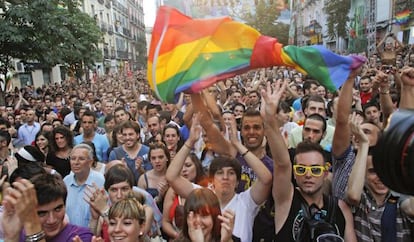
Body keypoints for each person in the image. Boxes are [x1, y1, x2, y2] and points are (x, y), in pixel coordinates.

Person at [260, 80, 356, 241]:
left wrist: (349, 77)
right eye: (301, 169)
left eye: (315, 169)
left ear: (326, 173)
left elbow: (342, 121)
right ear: (295, 174)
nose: (308, 175)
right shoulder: (286, 200)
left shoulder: (341, 208)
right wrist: (270, 120)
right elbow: (282, 164)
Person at [166, 113, 272, 242]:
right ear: (212, 178)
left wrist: (237, 144)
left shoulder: (246, 201)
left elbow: (266, 179)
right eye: (220, 173)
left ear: (238, 181)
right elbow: (171, 176)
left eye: (231, 173)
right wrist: (190, 141)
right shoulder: (203, 195)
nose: (225, 177)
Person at [346, 114, 414, 241]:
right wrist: (364, 144)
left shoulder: (400, 196)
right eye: (373, 172)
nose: (381, 177)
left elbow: (412, 209)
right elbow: (353, 195)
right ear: (364, 175)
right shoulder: (362, 199)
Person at [1, 173, 93, 242]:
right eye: (42, 213)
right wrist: (11, 237)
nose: (51, 220)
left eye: (58, 209)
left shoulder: (80, 236)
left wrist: (34, 230)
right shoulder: (21, 235)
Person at [162, 154, 206, 239]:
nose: (184, 170)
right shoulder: (172, 191)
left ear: (197, 166)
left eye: (188, 165)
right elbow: (165, 222)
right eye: (180, 167)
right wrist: (178, 236)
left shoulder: (206, 189)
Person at [63, 143, 105, 228]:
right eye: (73, 159)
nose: (76, 162)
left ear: (90, 162)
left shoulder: (100, 181)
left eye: (81, 159)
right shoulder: (65, 181)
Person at [137, 142, 170, 210]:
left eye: (160, 157)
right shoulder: (143, 179)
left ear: (167, 158)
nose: (157, 161)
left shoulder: (174, 177)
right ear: (150, 160)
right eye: (153, 158)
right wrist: (158, 198)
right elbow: (139, 206)